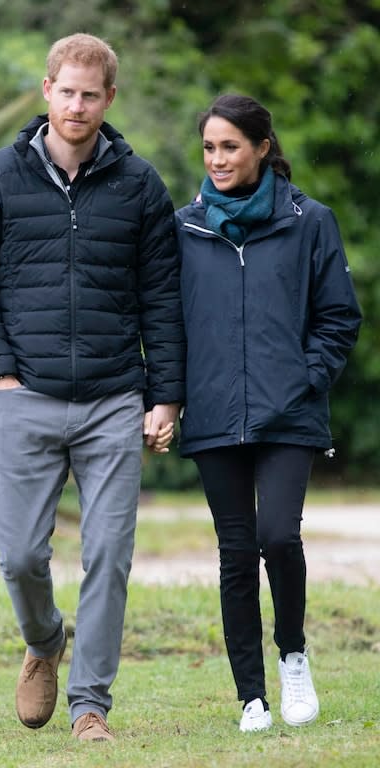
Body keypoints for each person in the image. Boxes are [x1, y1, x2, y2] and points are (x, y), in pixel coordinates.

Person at [0, 33, 185, 742]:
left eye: (91, 94)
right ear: (45, 91)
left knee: (109, 553)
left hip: (114, 394)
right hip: (24, 393)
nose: (77, 105)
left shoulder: (140, 186)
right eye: (66, 90)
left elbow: (163, 299)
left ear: (109, 99)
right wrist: (0, 372)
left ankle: (90, 707)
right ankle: (45, 640)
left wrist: (163, 396)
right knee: (19, 554)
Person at [175, 94, 362, 732]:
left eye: (230, 146)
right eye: (209, 148)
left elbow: (340, 316)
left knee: (277, 536)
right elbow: (168, 324)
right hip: (213, 413)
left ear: (261, 146)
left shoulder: (313, 221)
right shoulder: (186, 228)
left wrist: (306, 378)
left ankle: (294, 655)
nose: (218, 159)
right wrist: (171, 396)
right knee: (234, 553)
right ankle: (250, 696)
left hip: (290, 411)